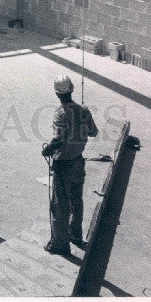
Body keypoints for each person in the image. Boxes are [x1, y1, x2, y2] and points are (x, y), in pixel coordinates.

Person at [41, 74, 99, 255]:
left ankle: (60, 244)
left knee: (59, 205)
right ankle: (75, 235)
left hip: (63, 165)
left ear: (57, 93)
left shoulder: (59, 114)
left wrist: (48, 150)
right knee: (76, 201)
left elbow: (58, 139)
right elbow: (94, 132)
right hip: (78, 163)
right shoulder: (84, 111)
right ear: (72, 89)